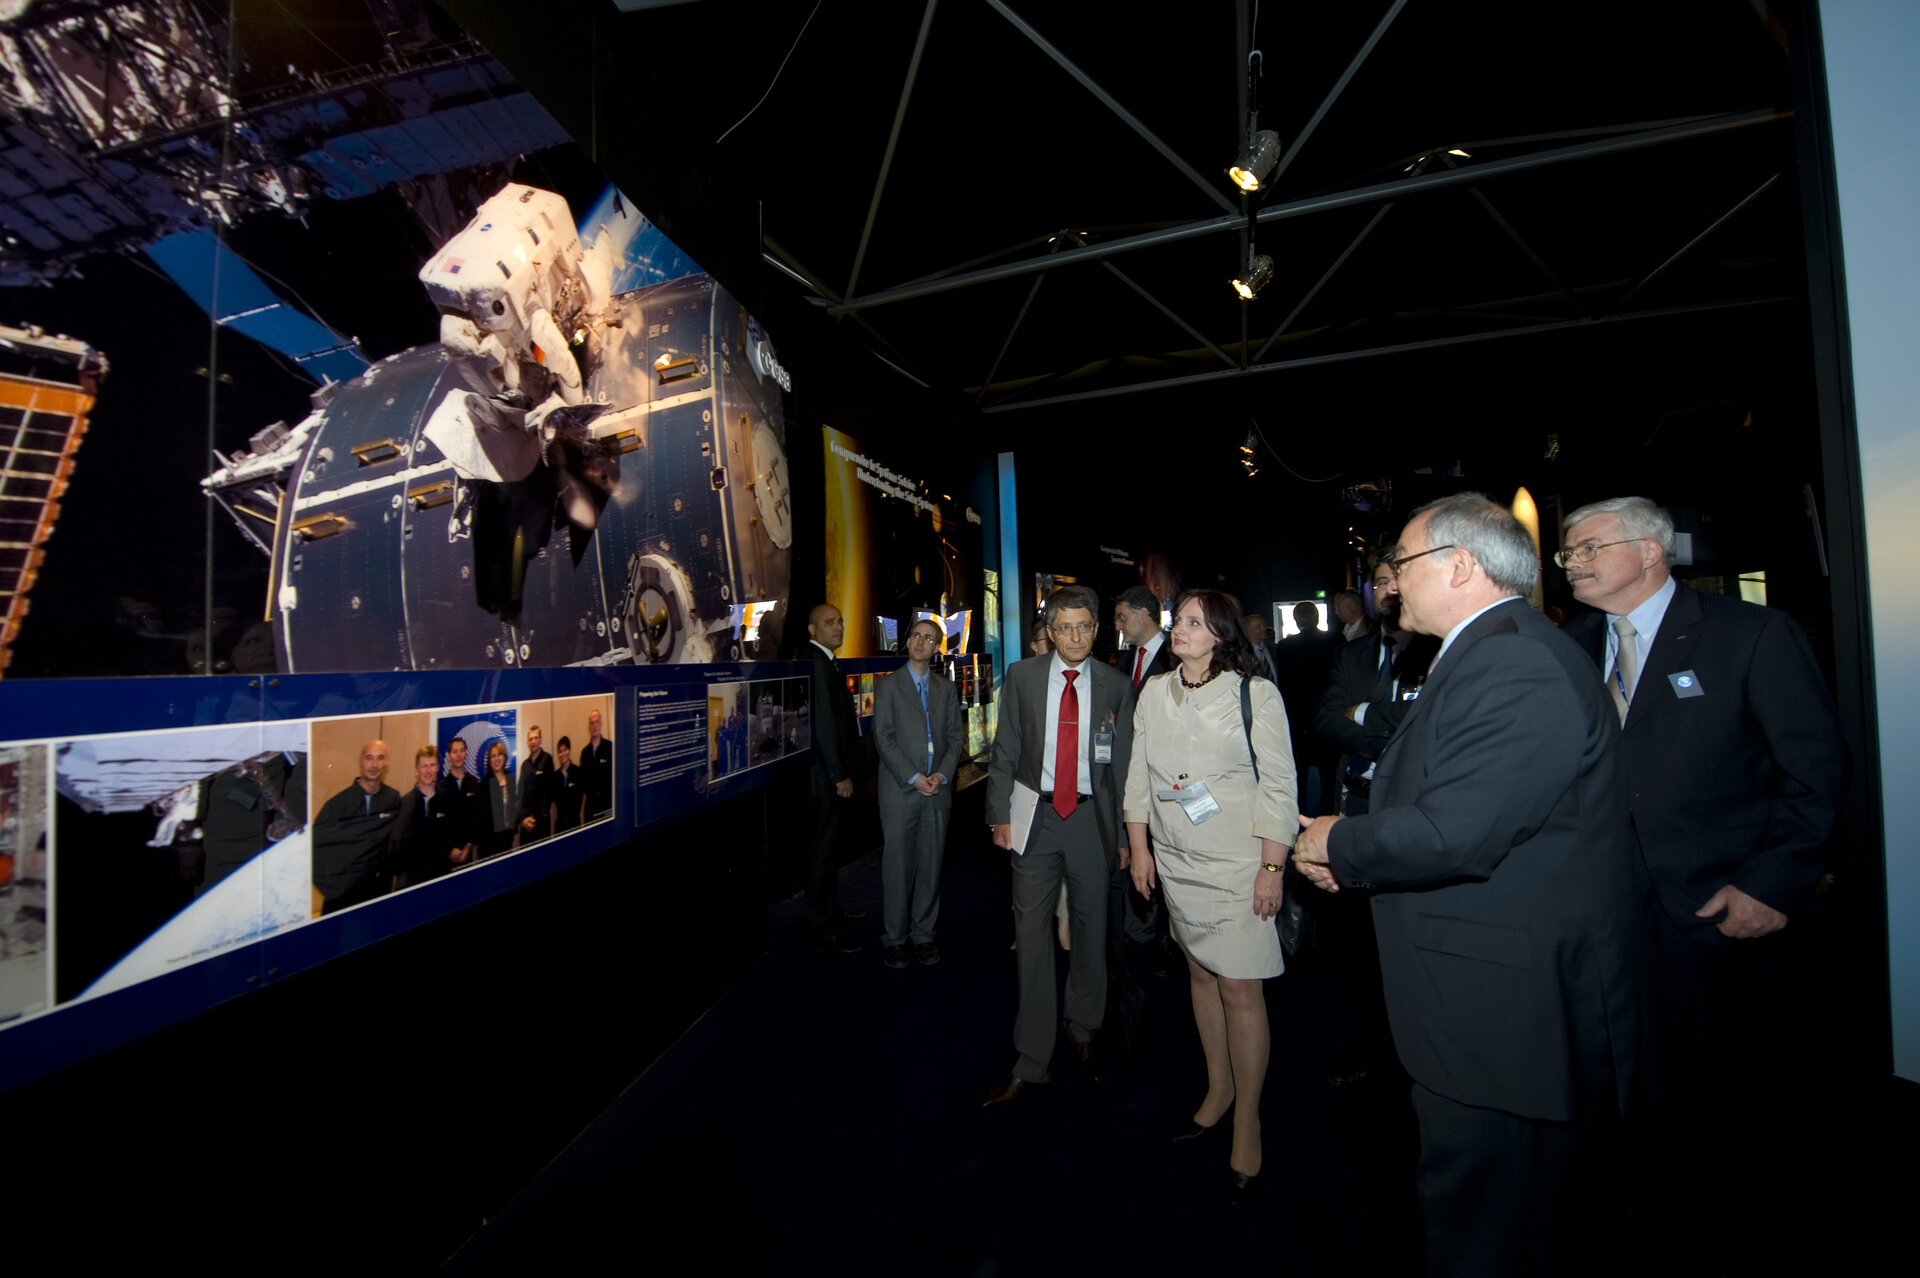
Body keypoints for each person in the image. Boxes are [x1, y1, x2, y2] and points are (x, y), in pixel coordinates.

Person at [1294, 494, 1646, 1277]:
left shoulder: (1514, 660)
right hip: (1484, 1004)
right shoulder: (1490, 652)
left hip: (1501, 1021)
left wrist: (1337, 841)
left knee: (1495, 1233)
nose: (1388, 588)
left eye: (1403, 568)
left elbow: (1457, 829)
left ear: (1461, 565)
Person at [1557, 496, 1846, 1247]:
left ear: (1651, 551)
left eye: (1588, 547)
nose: (1573, 562)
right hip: (1611, 914)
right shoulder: (1576, 645)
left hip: (1720, 912)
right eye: (1567, 553)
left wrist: (1772, 884)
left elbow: (1815, 773)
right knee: (1632, 1084)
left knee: (1730, 1095)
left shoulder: (1750, 635)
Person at [1125, 589, 1296, 1200]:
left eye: (1194, 623)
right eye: (1179, 621)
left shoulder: (1255, 695)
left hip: (1238, 864)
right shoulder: (1154, 690)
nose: (1180, 630)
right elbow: (1138, 776)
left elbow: (1280, 785)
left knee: (1239, 989)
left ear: (1220, 634)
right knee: (1199, 977)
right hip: (1176, 862)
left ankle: (1247, 1117)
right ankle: (1218, 1088)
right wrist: (1141, 849)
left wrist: (1272, 869)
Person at [982, 585, 1133, 1107]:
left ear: (1097, 629)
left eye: (1084, 626)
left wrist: (1127, 837)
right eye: (1063, 627)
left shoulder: (1115, 685)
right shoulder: (1023, 678)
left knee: (1091, 930)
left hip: (1092, 821)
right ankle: (1032, 1059)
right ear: (1049, 630)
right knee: (1031, 933)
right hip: (1036, 820)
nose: (1074, 637)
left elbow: (1124, 770)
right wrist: (999, 817)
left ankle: (1084, 1028)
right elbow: (1005, 752)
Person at [873, 618, 965, 968]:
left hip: (938, 791)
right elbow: (884, 738)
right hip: (900, 791)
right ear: (907, 640)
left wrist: (940, 774)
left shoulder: (945, 688)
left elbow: (956, 739)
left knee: (930, 865)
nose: (920, 642)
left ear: (937, 647)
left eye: (929, 638)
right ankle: (894, 938)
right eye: (916, 635)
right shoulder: (889, 687)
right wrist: (914, 777)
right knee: (897, 867)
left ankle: (923, 933)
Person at [1314, 563, 1438, 818]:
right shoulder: (1350, 654)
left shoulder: (1438, 650)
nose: (1390, 589)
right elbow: (1327, 720)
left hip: (1417, 800)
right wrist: (1379, 748)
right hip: (1357, 797)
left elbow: (1432, 715)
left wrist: (1362, 712)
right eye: (1381, 582)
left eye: (1397, 579)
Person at [804, 603, 864, 954]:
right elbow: (823, 725)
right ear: (812, 630)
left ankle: (830, 911)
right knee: (822, 854)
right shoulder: (816, 663)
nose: (838, 626)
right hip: (825, 781)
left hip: (828, 779)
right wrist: (839, 774)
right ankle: (822, 929)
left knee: (830, 852)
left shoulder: (826, 661)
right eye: (829, 622)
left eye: (840, 620)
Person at [311, 739, 401, 913]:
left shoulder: (393, 799)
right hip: (342, 898)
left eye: (380, 758)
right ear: (360, 761)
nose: (374, 764)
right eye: (369, 758)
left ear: (386, 762)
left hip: (378, 893)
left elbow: (397, 842)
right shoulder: (337, 804)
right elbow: (316, 849)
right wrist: (334, 887)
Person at [1273, 601, 1340, 815]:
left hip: (1299, 719)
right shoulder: (1336, 640)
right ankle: (1330, 815)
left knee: (1298, 774)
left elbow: (1284, 686)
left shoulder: (1285, 646)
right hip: (1330, 715)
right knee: (1331, 775)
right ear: (1317, 618)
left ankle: (1300, 818)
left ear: (1296, 620)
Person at [393, 746, 466, 888]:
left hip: (441, 877)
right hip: (412, 880)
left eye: (432, 765)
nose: (428, 770)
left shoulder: (448, 799)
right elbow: (399, 846)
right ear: (416, 770)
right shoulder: (405, 802)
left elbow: (455, 834)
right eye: (424, 766)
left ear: (438, 767)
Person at [1114, 585, 1173, 694]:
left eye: (1122, 618)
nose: (1118, 627)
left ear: (1143, 615)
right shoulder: (1124, 661)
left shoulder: (1175, 658)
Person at [477, 740, 518, 859]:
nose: (496, 759)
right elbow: (480, 817)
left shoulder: (510, 778)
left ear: (504, 757)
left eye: (499, 754)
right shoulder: (485, 783)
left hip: (506, 842)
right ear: (489, 761)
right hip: (489, 845)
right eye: (493, 756)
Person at [516, 724, 555, 845]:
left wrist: (535, 818)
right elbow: (520, 794)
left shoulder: (547, 759)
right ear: (527, 742)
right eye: (530, 739)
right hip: (526, 823)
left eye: (535, 738)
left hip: (541, 822)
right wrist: (523, 819)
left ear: (540, 740)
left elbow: (550, 792)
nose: (533, 741)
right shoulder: (525, 765)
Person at [578, 708, 613, 819]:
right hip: (590, 807)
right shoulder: (584, 752)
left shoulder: (610, 747)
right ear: (589, 727)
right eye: (591, 723)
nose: (594, 726)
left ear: (601, 724)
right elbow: (582, 783)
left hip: (607, 805)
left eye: (597, 722)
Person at [550, 735, 584, 832]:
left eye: (565, 750)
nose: (562, 754)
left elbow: (580, 799)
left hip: (575, 825)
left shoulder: (578, 772)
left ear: (569, 751)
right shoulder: (555, 776)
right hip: (560, 826)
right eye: (560, 751)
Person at [1241, 610, 1281, 685]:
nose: (1264, 628)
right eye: (1258, 626)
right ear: (1247, 630)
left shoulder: (1274, 648)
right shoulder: (1241, 652)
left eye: (1264, 625)